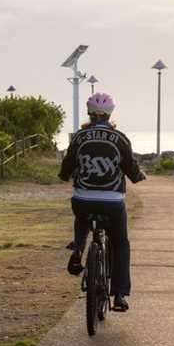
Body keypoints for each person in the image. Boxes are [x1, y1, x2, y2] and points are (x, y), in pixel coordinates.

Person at [58, 92, 145, 312]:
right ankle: (119, 295)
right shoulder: (120, 138)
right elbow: (131, 169)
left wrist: (65, 175)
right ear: (110, 114)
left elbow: (67, 167)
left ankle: (78, 249)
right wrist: (137, 176)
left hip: (84, 199)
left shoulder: (79, 137)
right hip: (113, 201)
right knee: (121, 244)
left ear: (89, 113)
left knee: (82, 215)